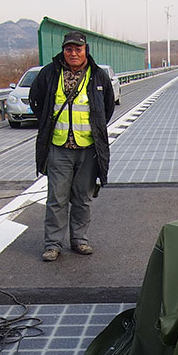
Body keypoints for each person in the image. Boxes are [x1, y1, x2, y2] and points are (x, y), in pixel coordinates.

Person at [29, 31, 115, 262]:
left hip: (88, 149)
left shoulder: (97, 75)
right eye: (69, 49)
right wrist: (46, 121)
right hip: (59, 147)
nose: (73, 53)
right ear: (63, 50)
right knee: (56, 198)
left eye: (78, 49)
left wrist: (95, 129)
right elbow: (35, 98)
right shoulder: (50, 73)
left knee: (82, 198)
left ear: (86, 50)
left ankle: (79, 240)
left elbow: (107, 107)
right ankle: (53, 244)